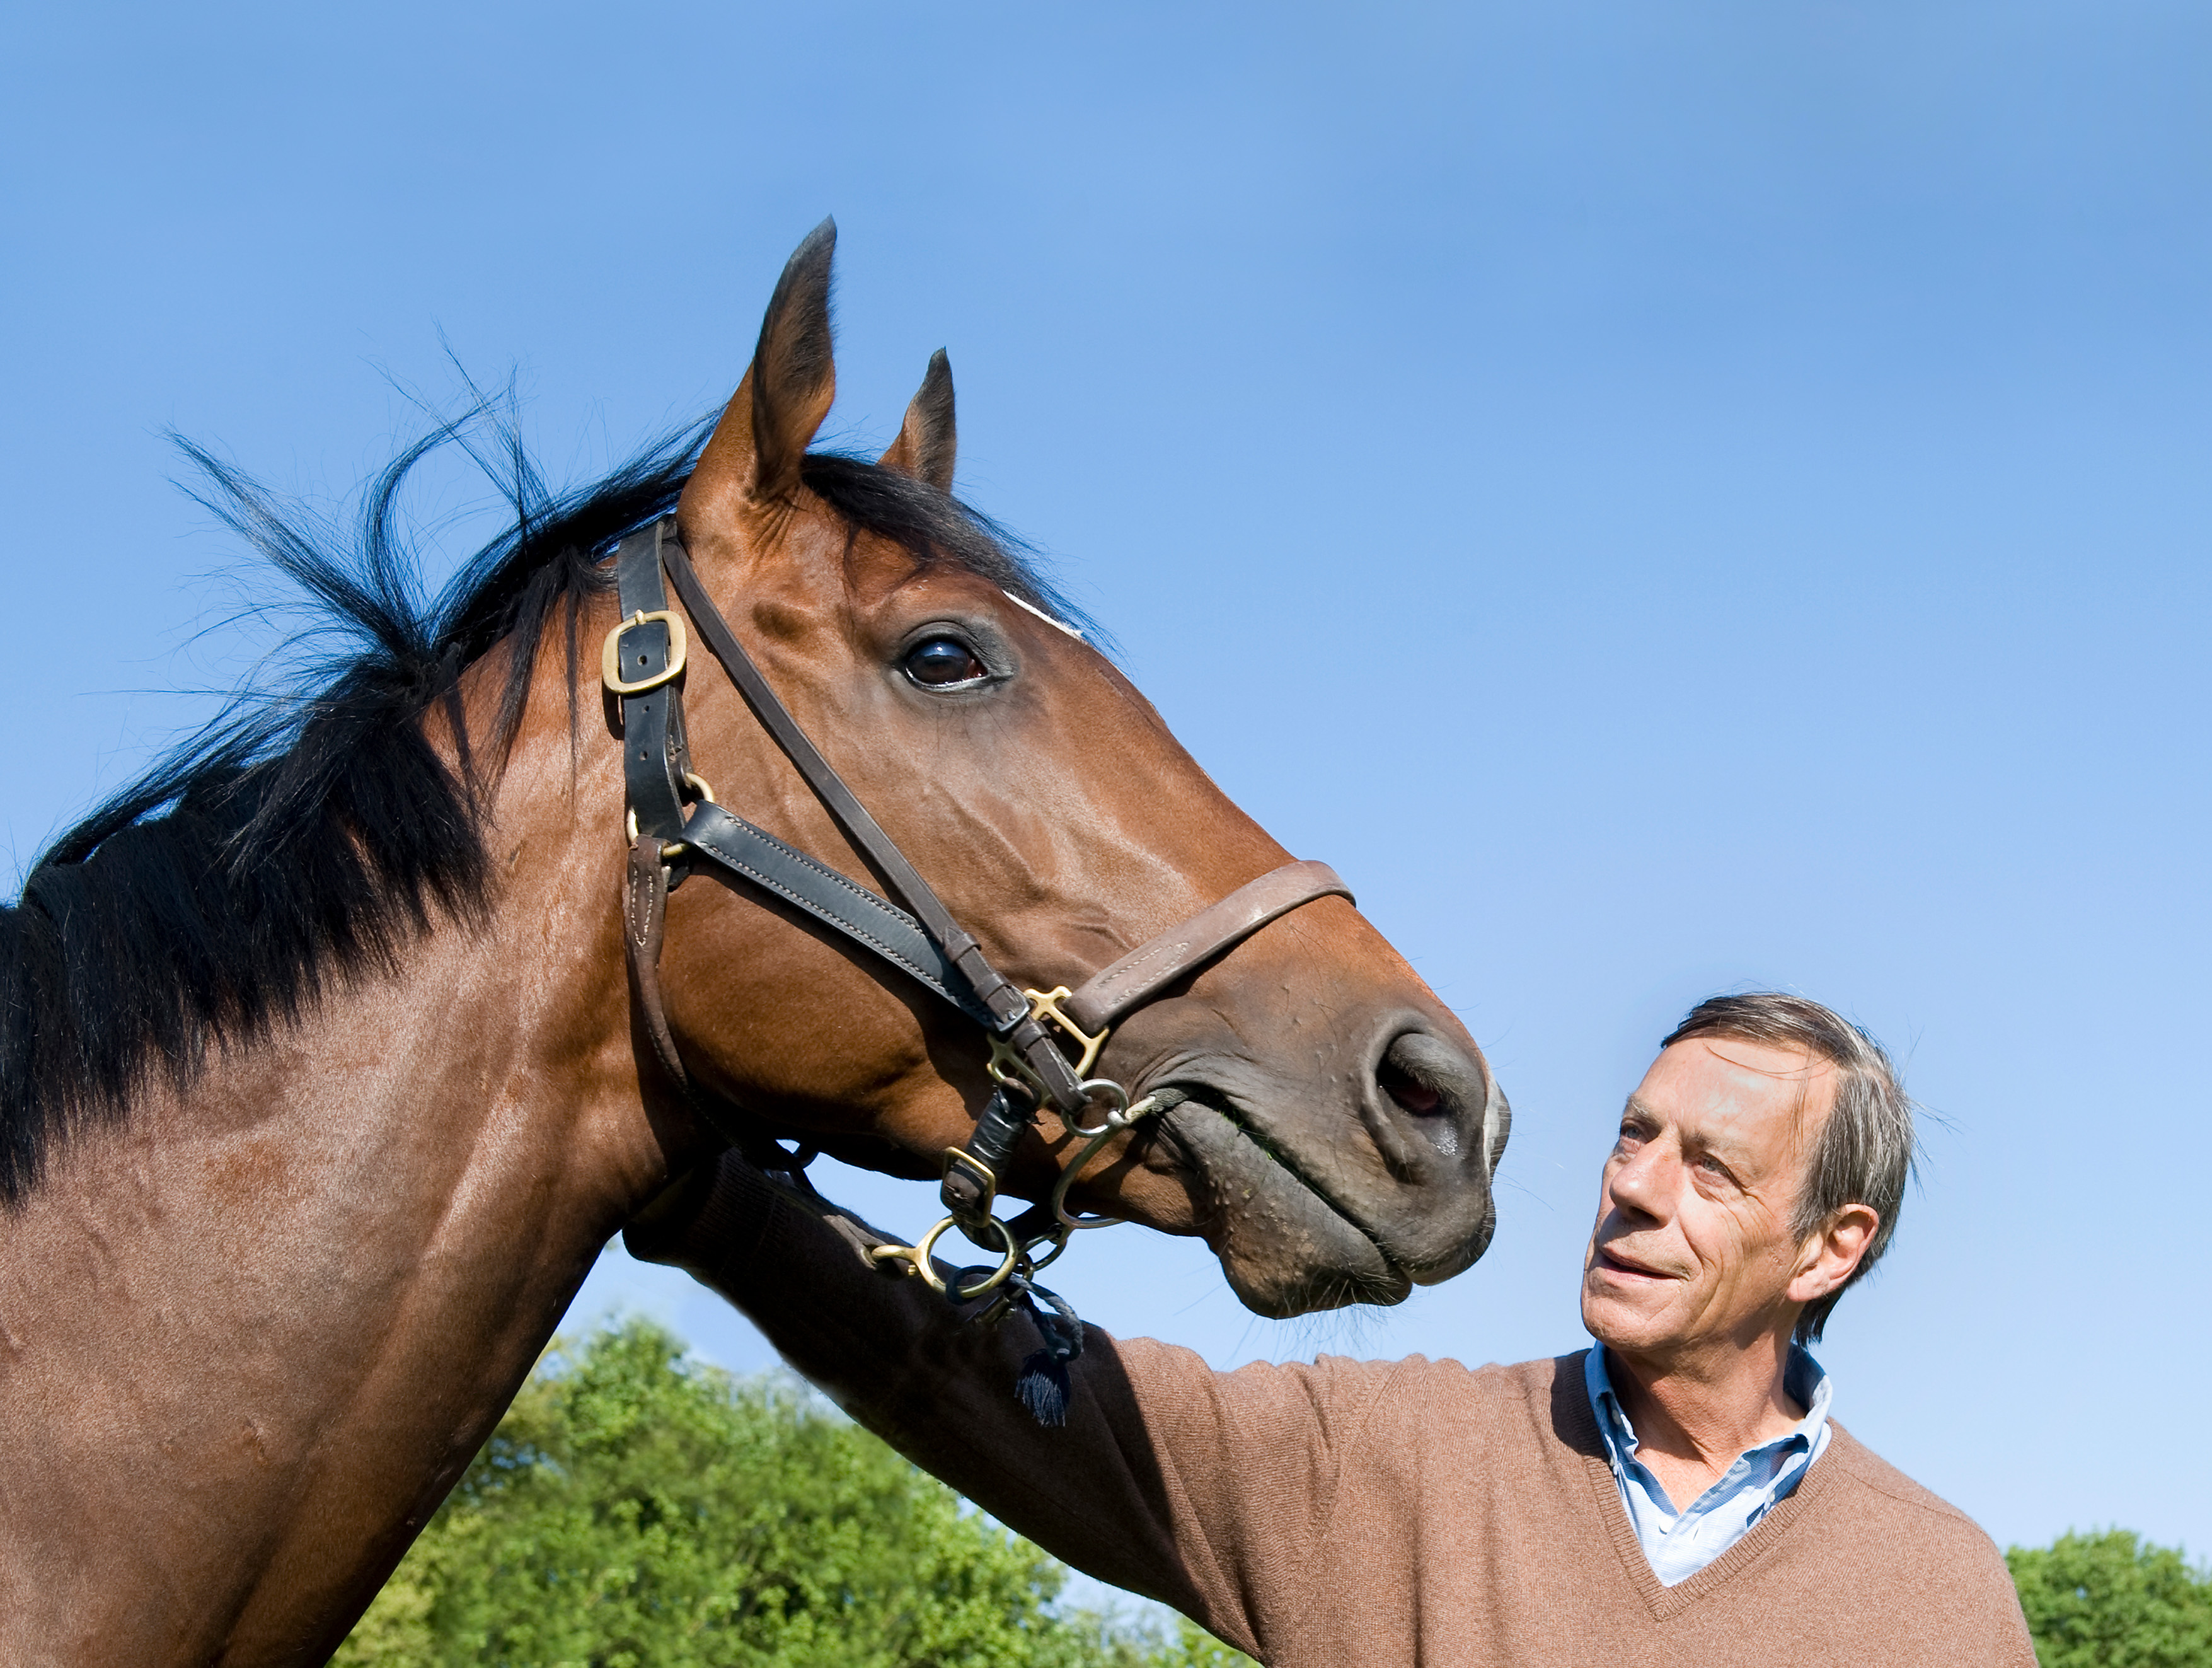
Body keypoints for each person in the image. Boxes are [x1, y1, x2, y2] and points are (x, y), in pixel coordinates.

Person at [627, 992, 2036, 1665]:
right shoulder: (1395, 1461)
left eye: (1709, 1168)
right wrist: (715, 1196)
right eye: (1633, 1135)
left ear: (1830, 1248)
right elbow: (997, 1381)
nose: (1633, 1190)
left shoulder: (1940, 1598)